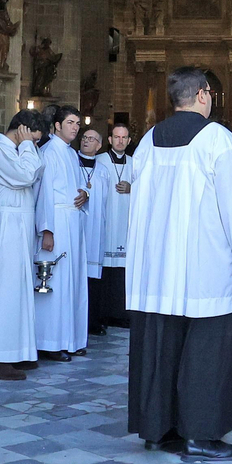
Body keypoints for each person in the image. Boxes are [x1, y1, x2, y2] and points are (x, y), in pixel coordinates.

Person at [126, 67, 232, 461]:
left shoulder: (148, 142)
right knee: (208, 351)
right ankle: (201, 434)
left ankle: (158, 429)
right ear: (204, 94)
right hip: (204, 267)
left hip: (157, 268)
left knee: (161, 347)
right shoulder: (218, 140)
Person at [0, 109, 47, 381]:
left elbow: (35, 167)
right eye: (34, 138)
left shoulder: (19, 150)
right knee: (4, 290)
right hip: (7, 223)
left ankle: (18, 351)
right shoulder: (0, 149)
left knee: (19, 290)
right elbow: (26, 175)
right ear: (21, 129)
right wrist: (29, 147)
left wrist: (29, 147)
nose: (35, 145)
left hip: (20, 224)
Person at [34, 105, 90, 361]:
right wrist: (47, 229)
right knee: (56, 282)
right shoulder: (48, 152)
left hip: (73, 223)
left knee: (74, 281)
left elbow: (78, 185)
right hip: (56, 223)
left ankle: (72, 338)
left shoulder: (70, 154)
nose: (75, 128)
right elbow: (44, 193)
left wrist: (84, 194)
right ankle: (51, 342)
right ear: (57, 125)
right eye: (70, 123)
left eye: (78, 123)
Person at [90, 123, 137, 331]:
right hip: (106, 223)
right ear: (109, 140)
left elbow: (147, 190)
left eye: (124, 137)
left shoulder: (135, 164)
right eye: (116, 137)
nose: (120, 141)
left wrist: (132, 188)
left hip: (125, 225)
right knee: (105, 271)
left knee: (122, 272)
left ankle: (121, 314)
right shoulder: (99, 162)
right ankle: (103, 314)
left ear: (128, 141)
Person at [78, 127, 108, 335]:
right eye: (85, 137)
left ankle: (92, 321)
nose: (87, 141)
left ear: (99, 145)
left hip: (96, 227)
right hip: (78, 226)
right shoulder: (72, 162)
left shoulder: (103, 170)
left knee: (93, 276)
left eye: (92, 139)